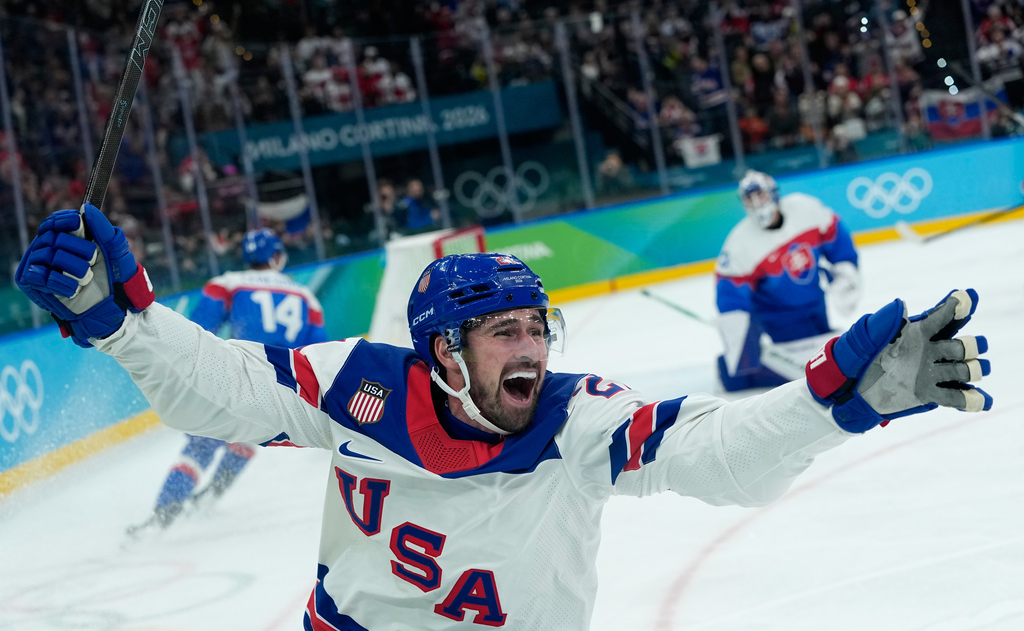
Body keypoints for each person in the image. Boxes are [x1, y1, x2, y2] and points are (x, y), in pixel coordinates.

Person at [15, 204, 992, 629]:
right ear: (442, 349)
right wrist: (124, 318)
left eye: (537, 325)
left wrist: (835, 400)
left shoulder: (576, 421)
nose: (531, 347)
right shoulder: (358, 383)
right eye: (501, 332)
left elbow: (714, 449)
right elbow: (220, 386)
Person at [131, 227, 329, 533]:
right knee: (249, 439)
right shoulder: (306, 297)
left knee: (202, 445)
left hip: (232, 375)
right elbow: (321, 352)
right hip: (277, 389)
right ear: (276, 257)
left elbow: (195, 331)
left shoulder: (228, 284)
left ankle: (162, 516)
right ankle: (207, 502)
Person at [714, 170, 861, 391]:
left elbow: (835, 236)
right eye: (749, 199)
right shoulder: (739, 244)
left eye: (760, 195)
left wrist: (844, 272)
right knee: (815, 371)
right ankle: (729, 370)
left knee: (829, 356)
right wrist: (740, 334)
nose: (756, 204)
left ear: (773, 194)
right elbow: (730, 295)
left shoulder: (804, 209)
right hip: (780, 318)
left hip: (815, 302)